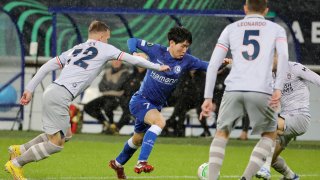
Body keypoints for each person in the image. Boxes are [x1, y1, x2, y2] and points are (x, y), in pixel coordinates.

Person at [4, 20, 170, 180]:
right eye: (107, 37)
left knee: (65, 135)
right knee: (56, 144)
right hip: (60, 96)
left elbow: (47, 66)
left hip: (53, 91)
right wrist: (157, 67)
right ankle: (16, 164)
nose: (108, 40)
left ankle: (20, 149)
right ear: (100, 37)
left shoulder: (76, 49)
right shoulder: (105, 48)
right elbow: (132, 59)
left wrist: (29, 89)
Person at [200, 0, 289, 179]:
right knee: (269, 134)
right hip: (261, 89)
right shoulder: (276, 29)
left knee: (222, 133)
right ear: (266, 11)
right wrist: (278, 87)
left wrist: (208, 97)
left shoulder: (231, 28)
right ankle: (245, 178)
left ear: (245, 8)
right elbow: (284, 56)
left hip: (233, 88)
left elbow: (213, 64)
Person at [109, 27, 208, 179]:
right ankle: (142, 162)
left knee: (137, 140)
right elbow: (132, 40)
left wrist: (223, 62)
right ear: (172, 43)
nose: (184, 50)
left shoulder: (187, 60)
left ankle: (118, 163)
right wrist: (134, 53)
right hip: (140, 101)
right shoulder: (156, 50)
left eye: (187, 47)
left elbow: (207, 65)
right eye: (182, 46)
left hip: (155, 106)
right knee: (160, 122)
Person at [255, 52, 320, 180]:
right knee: (269, 156)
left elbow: (317, 79)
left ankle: (265, 169)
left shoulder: (294, 68)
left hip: (300, 117)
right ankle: (292, 176)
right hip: (286, 120)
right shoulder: (270, 76)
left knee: (271, 126)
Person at [83, 60, 129, 134]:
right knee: (88, 107)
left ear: (121, 62)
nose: (116, 62)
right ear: (111, 62)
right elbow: (100, 86)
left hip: (117, 97)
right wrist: (111, 86)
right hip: (105, 96)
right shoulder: (107, 71)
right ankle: (104, 122)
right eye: (114, 60)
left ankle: (111, 125)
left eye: (118, 61)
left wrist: (107, 86)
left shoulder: (125, 72)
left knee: (108, 107)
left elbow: (118, 87)